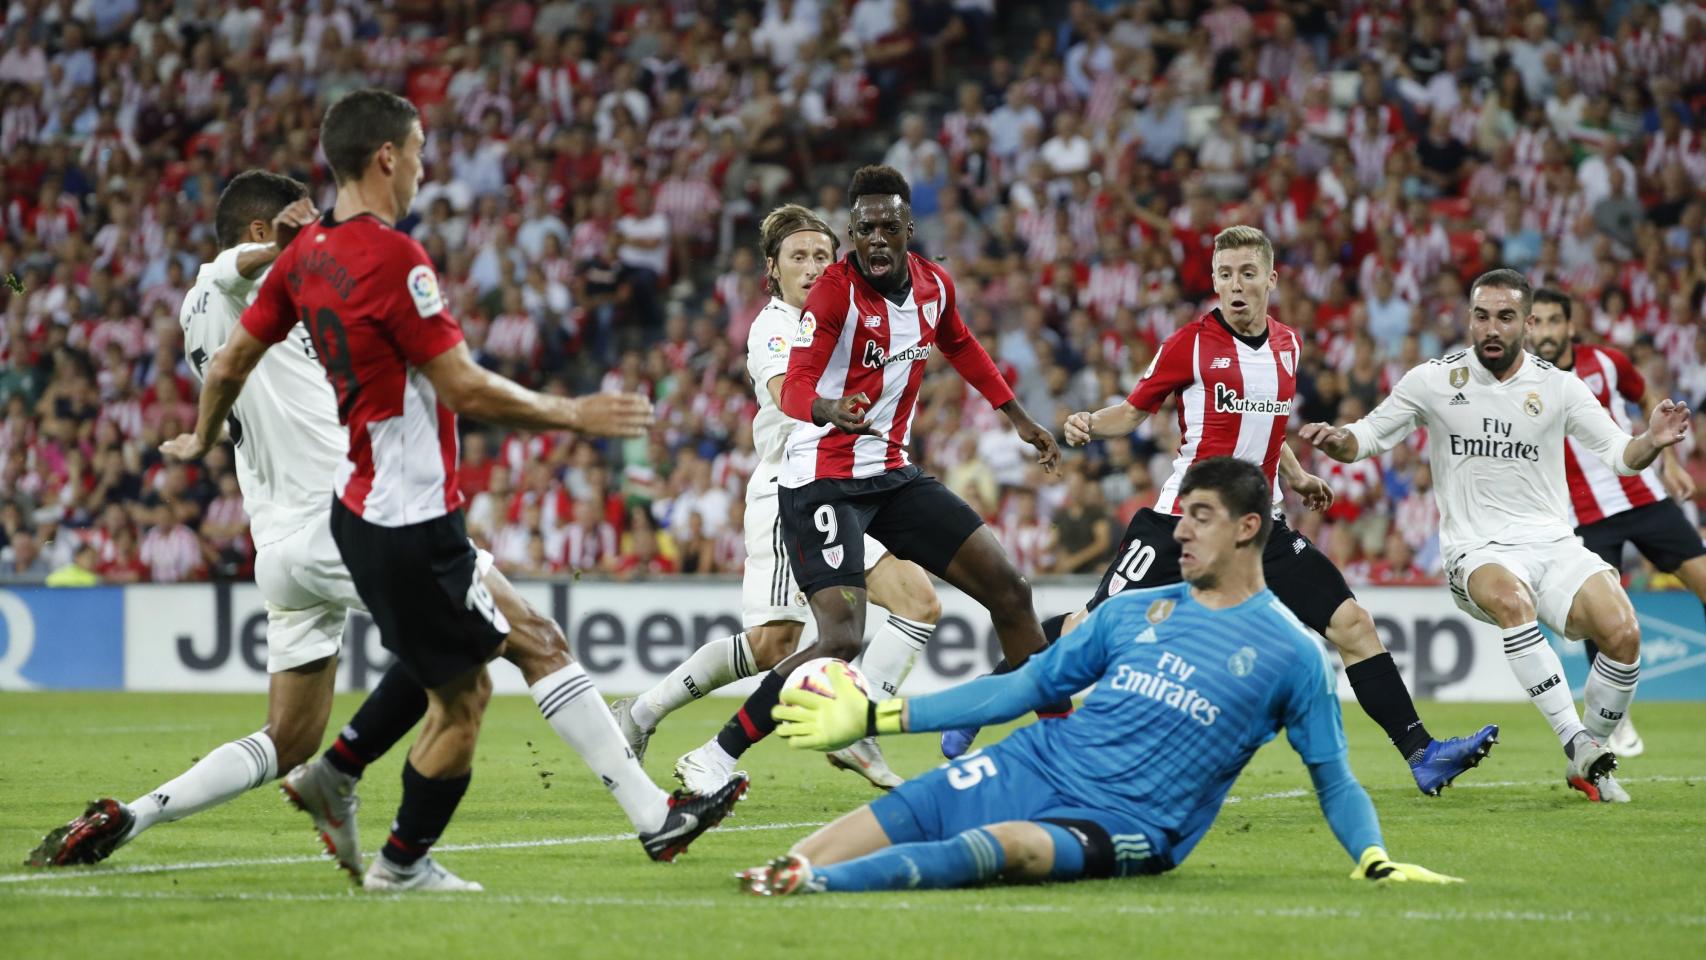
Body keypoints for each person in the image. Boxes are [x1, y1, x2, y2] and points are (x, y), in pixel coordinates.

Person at [156, 90, 745, 890]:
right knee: (502, 660)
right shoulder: (386, 257)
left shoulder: (299, 264)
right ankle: (626, 819)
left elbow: (228, 366)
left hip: (347, 511)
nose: (428, 166)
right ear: (386, 157)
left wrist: (197, 436)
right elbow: (462, 387)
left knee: (463, 664)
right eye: (421, 149)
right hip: (398, 509)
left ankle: (337, 779)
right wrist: (573, 412)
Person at [736, 457, 1459, 895]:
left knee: (1008, 849)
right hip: (1039, 761)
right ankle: (789, 868)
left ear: (1247, 528)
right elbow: (1024, 687)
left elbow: (1333, 779)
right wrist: (876, 718)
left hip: (1132, 822)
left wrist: (1374, 858)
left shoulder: (1291, 655)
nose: (1178, 530)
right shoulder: (1132, 613)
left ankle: (814, 884)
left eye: (1199, 517)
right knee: (917, 809)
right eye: (1182, 516)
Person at [948, 225, 1496, 798]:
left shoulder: (1288, 344)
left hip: (1261, 526)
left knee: (1352, 625)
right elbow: (1136, 412)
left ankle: (1422, 752)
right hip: (1184, 521)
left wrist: (1298, 474)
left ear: (1270, 279)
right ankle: (984, 698)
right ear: (1214, 280)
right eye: (1226, 275)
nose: (1236, 286)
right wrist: (1088, 422)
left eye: (1247, 273)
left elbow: (1268, 422)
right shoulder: (1190, 343)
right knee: (1090, 630)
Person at [677, 165, 1066, 797]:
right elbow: (799, 378)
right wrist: (825, 409)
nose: (877, 239)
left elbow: (961, 345)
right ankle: (714, 755)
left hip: (891, 474)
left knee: (1012, 591)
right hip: (820, 480)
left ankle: (1061, 748)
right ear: (852, 234)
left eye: (889, 226)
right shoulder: (833, 293)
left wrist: (1017, 418)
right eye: (864, 229)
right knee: (840, 637)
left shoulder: (934, 285)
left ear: (910, 227)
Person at [1301, 269, 1691, 803]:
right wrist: (1337, 438)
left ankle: (1590, 758)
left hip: (1553, 543)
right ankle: (1574, 738)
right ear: (1469, 319)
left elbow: (1622, 456)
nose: (1491, 327)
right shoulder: (1434, 381)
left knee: (1623, 633)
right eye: (1481, 316)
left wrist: (1652, 439)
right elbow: (1366, 438)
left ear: (1527, 323)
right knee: (1513, 600)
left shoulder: (1558, 386)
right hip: (1476, 550)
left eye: (1505, 317)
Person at [611, 204, 943, 792]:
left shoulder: (846, 316)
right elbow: (787, 390)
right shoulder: (775, 326)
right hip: (792, 486)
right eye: (799, 257)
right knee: (774, 645)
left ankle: (857, 719)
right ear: (774, 270)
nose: (813, 267)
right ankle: (644, 715)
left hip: (849, 485)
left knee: (915, 604)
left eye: (822, 255)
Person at [1527, 287, 1705, 758]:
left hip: (1642, 494)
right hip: (1582, 516)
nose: (1544, 331)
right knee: (1599, 619)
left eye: (1551, 321)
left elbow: (1647, 397)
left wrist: (1669, 461)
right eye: (1536, 322)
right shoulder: (1521, 382)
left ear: (1569, 325)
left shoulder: (1606, 362)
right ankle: (1614, 716)